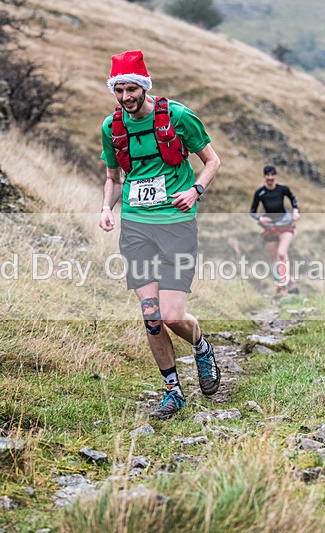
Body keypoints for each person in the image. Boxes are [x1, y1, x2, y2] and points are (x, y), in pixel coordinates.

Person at [98, 50, 221, 420]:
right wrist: (107, 208)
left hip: (176, 227)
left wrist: (195, 190)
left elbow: (212, 161)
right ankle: (173, 392)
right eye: (119, 90)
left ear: (145, 86)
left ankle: (201, 347)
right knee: (151, 316)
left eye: (131, 89)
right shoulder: (111, 128)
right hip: (136, 227)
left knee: (171, 316)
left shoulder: (179, 117)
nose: (125, 98)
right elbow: (112, 178)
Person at [249, 164, 300, 294]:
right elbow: (252, 212)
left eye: (272, 175)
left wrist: (295, 211)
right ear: (265, 176)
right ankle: (281, 285)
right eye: (268, 175)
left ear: (275, 175)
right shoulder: (260, 193)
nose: (270, 177)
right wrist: (260, 219)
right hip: (270, 225)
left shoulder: (282, 189)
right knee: (274, 258)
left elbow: (293, 199)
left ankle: (286, 281)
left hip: (285, 223)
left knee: (282, 253)